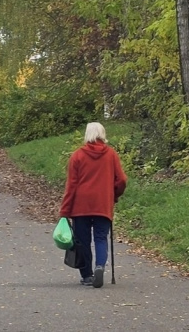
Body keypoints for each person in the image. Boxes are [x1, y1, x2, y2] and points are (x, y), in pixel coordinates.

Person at [58, 122, 127, 288]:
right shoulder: (111, 155)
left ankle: (87, 276)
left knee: (83, 240)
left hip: (80, 205)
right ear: (102, 133)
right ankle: (99, 266)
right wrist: (114, 195)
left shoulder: (77, 156)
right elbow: (122, 180)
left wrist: (65, 210)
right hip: (103, 204)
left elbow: (71, 185)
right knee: (101, 238)